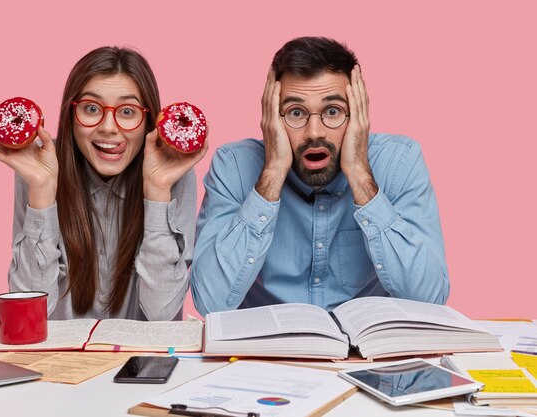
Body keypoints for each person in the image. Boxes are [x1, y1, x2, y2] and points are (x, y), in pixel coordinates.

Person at [190, 36, 448, 316]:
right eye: (296, 112)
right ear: (270, 116)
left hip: (367, 355)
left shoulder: (400, 161)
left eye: (333, 111)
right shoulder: (234, 167)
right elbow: (209, 303)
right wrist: (273, 172)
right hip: (268, 355)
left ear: (358, 113)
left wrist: (361, 176)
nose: (315, 132)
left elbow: (430, 299)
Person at [0, 46, 207, 320]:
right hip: (61, 362)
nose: (108, 126)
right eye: (92, 108)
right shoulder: (38, 167)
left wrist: (157, 192)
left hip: (141, 363)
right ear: (71, 115)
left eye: (127, 111)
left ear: (148, 121)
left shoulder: (172, 171)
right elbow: (29, 313)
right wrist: (43, 192)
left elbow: (161, 314)